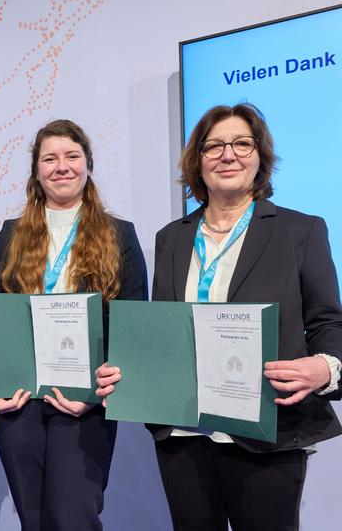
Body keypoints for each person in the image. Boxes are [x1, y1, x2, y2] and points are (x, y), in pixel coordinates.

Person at [97, 103, 342, 531]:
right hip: (183, 433)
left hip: (267, 432)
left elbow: (328, 323)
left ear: (260, 157)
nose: (228, 155)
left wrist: (325, 367)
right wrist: (126, 371)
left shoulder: (300, 231)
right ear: (198, 161)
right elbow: (163, 333)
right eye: (214, 146)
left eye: (242, 143)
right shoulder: (171, 237)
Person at [0, 119, 147, 531]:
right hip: (18, 397)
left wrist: (92, 394)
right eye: (49, 158)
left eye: (72, 156)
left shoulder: (118, 234)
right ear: (36, 171)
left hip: (82, 400)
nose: (61, 166)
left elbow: (132, 322)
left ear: (88, 164)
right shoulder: (11, 235)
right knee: (33, 518)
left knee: (74, 516)